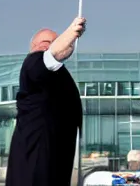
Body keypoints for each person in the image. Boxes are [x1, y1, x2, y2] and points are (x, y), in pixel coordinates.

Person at [5, 16, 86, 186]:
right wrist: (71, 32)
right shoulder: (32, 63)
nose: (49, 45)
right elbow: (47, 57)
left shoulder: (57, 75)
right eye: (47, 42)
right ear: (37, 47)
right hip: (34, 173)